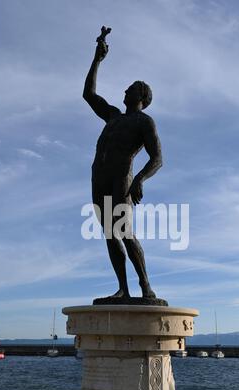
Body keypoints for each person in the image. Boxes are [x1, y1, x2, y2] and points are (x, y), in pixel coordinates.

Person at [83, 30, 163, 302]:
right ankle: (123, 289)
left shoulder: (144, 121)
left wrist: (139, 179)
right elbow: (89, 94)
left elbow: (158, 158)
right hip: (99, 180)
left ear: (140, 95)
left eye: (129, 88)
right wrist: (97, 60)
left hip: (121, 180)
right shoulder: (113, 116)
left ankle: (145, 287)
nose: (124, 91)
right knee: (110, 234)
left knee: (125, 232)